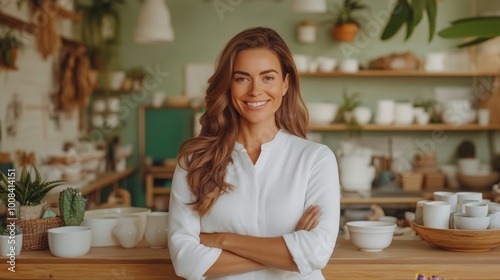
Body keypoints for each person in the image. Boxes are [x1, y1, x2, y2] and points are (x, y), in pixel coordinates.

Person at [168, 27, 340, 280]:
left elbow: (315, 253)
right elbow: (185, 261)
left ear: (285, 83)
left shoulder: (316, 159)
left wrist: (220, 239)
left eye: (268, 77)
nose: (255, 91)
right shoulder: (195, 161)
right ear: (228, 85)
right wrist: (288, 251)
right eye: (242, 78)